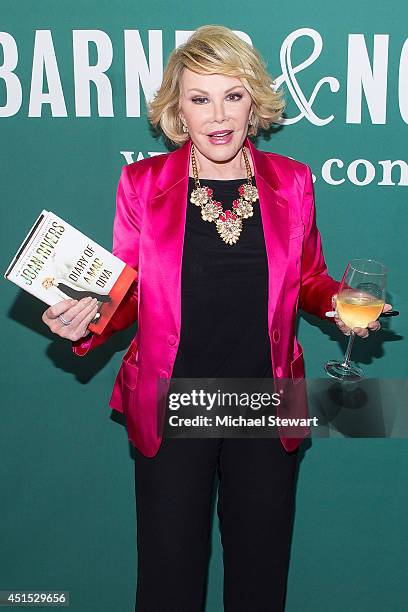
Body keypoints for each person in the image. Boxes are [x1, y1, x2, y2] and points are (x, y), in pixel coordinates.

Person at [42, 25, 393, 612]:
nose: (218, 115)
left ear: (253, 99)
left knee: (259, 584)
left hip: (264, 405)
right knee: (167, 584)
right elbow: (126, 294)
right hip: (173, 405)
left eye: (233, 95)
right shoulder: (142, 184)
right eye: (199, 99)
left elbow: (307, 277)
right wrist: (88, 320)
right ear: (177, 110)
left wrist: (338, 303)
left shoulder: (293, 181)